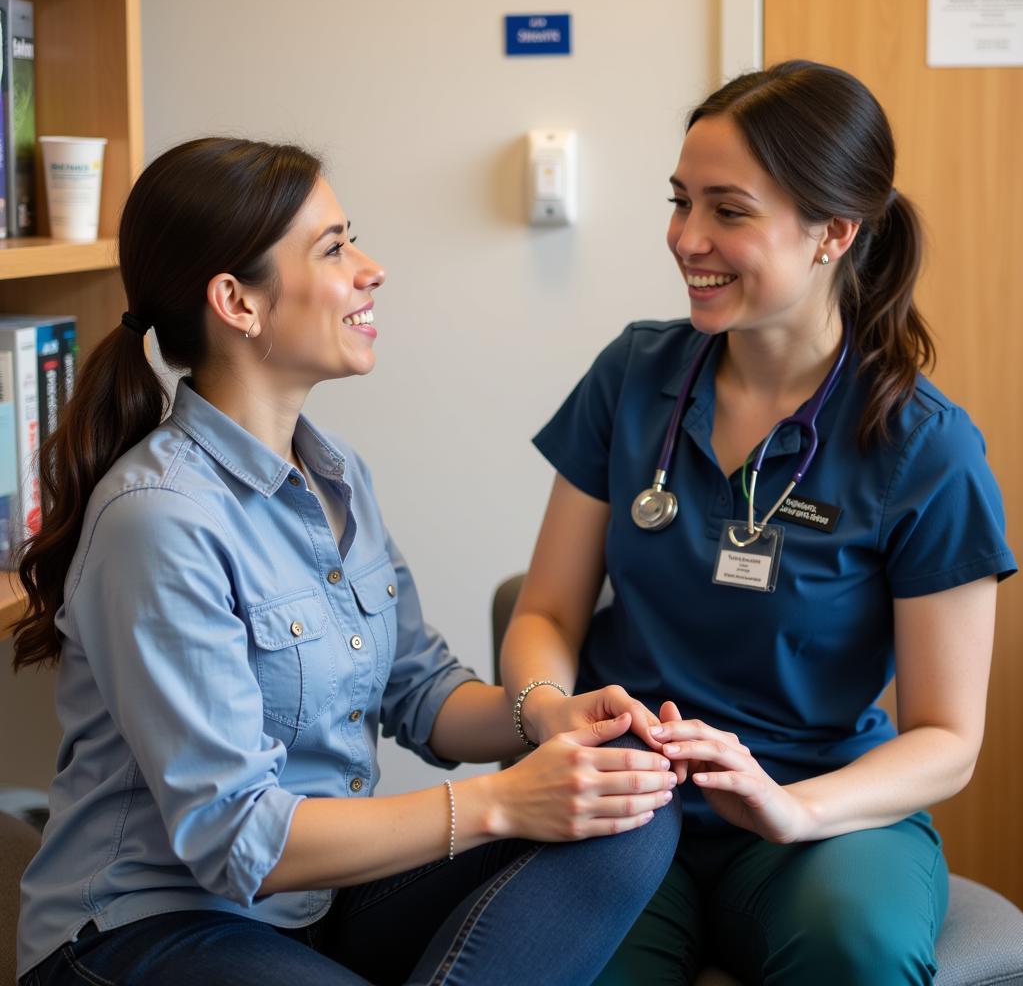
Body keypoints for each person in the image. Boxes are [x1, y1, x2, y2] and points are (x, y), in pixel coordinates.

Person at [12, 137, 683, 986]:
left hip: (312, 906)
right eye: (333, 248)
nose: (371, 270)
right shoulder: (158, 520)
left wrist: (549, 718)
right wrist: (505, 800)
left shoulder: (336, 476)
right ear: (236, 302)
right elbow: (237, 837)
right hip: (147, 929)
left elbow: (420, 689)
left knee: (630, 814)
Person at [500, 60, 1017, 985]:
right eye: (680, 200)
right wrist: (550, 716)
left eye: (728, 211)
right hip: (628, 797)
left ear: (835, 233)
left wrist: (795, 811)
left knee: (853, 951)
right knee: (561, 964)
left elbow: (947, 739)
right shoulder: (634, 377)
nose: (686, 238)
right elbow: (542, 613)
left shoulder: (923, 449)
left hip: (818, 812)